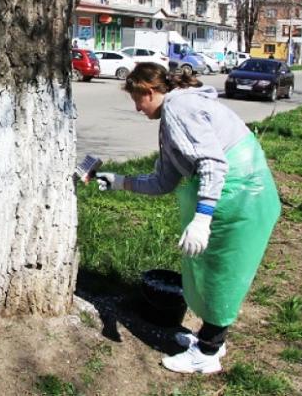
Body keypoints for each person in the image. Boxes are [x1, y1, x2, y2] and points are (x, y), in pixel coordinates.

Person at [93, 63, 281, 375]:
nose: (138, 109)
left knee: (222, 273)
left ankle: (206, 354)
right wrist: (118, 181)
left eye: (137, 100)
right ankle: (211, 339)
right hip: (235, 194)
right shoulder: (173, 115)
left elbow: (212, 164)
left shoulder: (179, 107)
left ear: (150, 91)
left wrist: (203, 217)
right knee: (211, 270)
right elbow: (162, 182)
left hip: (239, 195)